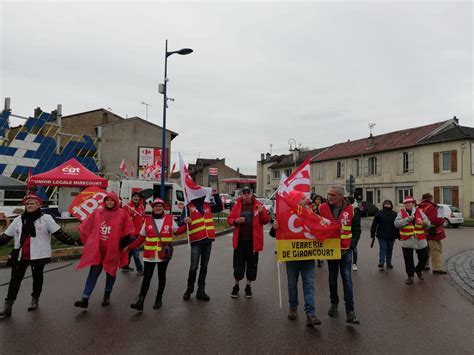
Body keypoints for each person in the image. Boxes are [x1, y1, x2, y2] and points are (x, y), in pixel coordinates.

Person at [0, 194, 80, 318]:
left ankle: (35, 299)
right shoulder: (19, 219)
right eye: (27, 203)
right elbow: (5, 236)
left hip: (38, 254)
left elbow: (59, 234)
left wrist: (74, 241)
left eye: (32, 203)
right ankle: (8, 306)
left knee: (37, 278)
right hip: (20, 255)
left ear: (38, 205)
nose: (29, 205)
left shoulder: (46, 218)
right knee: (15, 280)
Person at [74, 191, 135, 309]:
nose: (110, 202)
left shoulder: (122, 213)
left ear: (116, 201)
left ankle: (107, 295)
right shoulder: (98, 212)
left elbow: (128, 229)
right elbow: (88, 226)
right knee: (93, 273)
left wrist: (125, 242)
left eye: (112, 200)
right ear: (104, 201)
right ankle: (85, 298)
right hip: (98, 250)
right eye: (107, 200)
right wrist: (80, 239)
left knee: (110, 272)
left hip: (113, 250)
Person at [270, 191, 321, 326]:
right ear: (296, 201)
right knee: (292, 284)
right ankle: (293, 308)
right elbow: (273, 233)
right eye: (303, 198)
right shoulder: (285, 215)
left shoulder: (311, 214)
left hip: (308, 257)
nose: (306, 200)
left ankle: (310, 314)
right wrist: (275, 227)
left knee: (308, 285)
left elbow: (321, 228)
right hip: (292, 257)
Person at [128, 198, 185, 311]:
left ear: (163, 208)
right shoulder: (147, 220)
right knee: (147, 278)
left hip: (164, 254)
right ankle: (140, 302)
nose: (158, 208)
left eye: (160, 206)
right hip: (149, 255)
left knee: (161, 276)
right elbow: (141, 238)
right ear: (153, 208)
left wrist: (187, 224)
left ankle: (158, 299)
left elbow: (177, 231)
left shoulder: (169, 219)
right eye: (156, 206)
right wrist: (129, 247)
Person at [319, 185, 361, 325]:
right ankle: (334, 304)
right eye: (329, 194)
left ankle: (350, 311)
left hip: (345, 250)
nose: (330, 196)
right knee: (332, 279)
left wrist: (352, 245)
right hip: (330, 250)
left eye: (333, 194)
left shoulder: (352, 210)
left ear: (341, 197)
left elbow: (356, 230)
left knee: (347, 279)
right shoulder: (322, 208)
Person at [180, 188, 223, 301]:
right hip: (196, 241)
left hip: (208, 241)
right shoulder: (188, 207)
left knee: (204, 267)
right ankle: (189, 290)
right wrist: (185, 220)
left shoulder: (207, 205)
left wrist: (216, 195)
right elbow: (180, 221)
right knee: (193, 267)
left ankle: (201, 291)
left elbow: (220, 207)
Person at [227, 187, 270, 298]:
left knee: (252, 266)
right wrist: (236, 221)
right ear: (241, 194)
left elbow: (266, 221)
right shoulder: (237, 205)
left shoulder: (259, 206)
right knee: (238, 266)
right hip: (240, 242)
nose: (246, 195)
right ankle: (236, 286)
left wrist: (261, 213)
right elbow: (230, 219)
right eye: (244, 193)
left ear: (251, 194)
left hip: (253, 242)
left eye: (248, 193)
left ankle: (248, 287)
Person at [394, 196, 430, 284]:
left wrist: (425, 223)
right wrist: (407, 219)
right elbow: (396, 224)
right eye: (406, 203)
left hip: (420, 239)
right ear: (404, 204)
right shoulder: (401, 213)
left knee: (424, 257)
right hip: (407, 240)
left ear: (413, 203)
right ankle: (410, 276)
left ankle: (418, 270)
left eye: (410, 202)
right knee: (408, 260)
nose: (408, 204)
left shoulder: (420, 211)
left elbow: (428, 224)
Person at [418, 193, 447, 274]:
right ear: (430, 199)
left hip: (424, 232)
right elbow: (435, 220)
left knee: (426, 250)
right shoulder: (431, 207)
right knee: (436, 250)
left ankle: (425, 265)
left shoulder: (420, 207)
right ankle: (436, 268)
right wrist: (442, 220)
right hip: (433, 231)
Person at [370, 200, 399, 269]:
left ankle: (389, 263)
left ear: (391, 205)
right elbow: (374, 224)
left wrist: (398, 234)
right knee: (383, 248)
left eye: (388, 204)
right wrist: (372, 233)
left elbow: (397, 225)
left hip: (391, 235)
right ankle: (382, 261)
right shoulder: (379, 213)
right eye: (385, 204)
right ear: (383, 205)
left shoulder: (395, 214)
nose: (387, 205)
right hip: (381, 235)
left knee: (389, 249)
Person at [122, 192, 145, 275]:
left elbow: (142, 218)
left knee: (131, 250)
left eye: (137, 197)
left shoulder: (141, 206)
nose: (136, 198)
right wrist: (130, 212)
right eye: (134, 196)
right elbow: (123, 218)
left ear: (139, 198)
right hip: (130, 233)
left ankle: (125, 265)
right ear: (132, 198)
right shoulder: (127, 206)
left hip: (138, 233)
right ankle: (139, 269)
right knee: (136, 252)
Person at [347, 196, 361, 271]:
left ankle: (354, 263)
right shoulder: (344, 208)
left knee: (353, 247)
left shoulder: (356, 209)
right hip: (346, 232)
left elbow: (357, 221)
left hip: (353, 231)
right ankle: (347, 263)